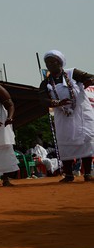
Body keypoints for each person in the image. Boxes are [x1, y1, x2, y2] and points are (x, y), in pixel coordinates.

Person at [39, 50, 94, 182]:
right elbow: (43, 100)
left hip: (80, 113)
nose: (50, 64)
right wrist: (57, 103)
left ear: (60, 62)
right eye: (48, 62)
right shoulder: (46, 82)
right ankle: (68, 174)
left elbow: (91, 77)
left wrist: (88, 81)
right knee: (65, 143)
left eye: (53, 61)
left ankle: (87, 173)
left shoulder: (72, 73)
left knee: (85, 141)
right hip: (62, 116)